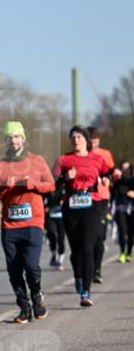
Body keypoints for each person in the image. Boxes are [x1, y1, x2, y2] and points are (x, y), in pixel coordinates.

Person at [0, 121, 55, 323]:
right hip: (10, 225)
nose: (13, 140)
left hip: (33, 222)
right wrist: (2, 189)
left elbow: (51, 185)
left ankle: (36, 295)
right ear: (5, 141)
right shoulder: (0, 166)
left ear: (23, 139)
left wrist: (33, 185)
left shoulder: (37, 161)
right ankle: (24, 306)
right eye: (10, 137)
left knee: (31, 265)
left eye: (17, 136)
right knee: (13, 269)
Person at [52, 125, 111, 307]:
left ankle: (85, 292)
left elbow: (106, 172)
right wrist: (65, 178)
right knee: (76, 250)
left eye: (79, 137)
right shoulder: (63, 160)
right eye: (73, 137)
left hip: (91, 205)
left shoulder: (97, 158)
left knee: (87, 248)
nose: (76, 139)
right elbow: (52, 183)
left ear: (86, 140)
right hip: (71, 207)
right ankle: (78, 276)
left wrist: (108, 178)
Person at [87, 126, 115, 283]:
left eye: (95, 142)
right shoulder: (80, 155)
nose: (93, 146)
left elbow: (110, 172)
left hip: (102, 198)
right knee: (87, 237)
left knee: (99, 235)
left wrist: (111, 177)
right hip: (85, 199)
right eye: (90, 142)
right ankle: (88, 267)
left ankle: (96, 271)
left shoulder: (105, 154)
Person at [112, 160, 134, 263]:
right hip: (121, 209)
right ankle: (122, 252)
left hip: (132, 210)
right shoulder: (118, 182)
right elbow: (112, 195)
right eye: (123, 168)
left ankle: (129, 252)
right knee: (122, 231)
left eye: (127, 168)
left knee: (131, 234)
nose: (125, 170)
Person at [43, 185, 65, 269]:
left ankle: (60, 259)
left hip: (61, 217)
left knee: (61, 238)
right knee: (51, 235)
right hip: (50, 217)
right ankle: (53, 255)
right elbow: (43, 203)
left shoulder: (61, 189)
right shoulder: (45, 191)